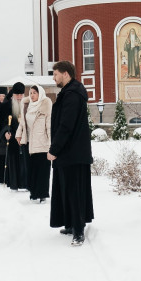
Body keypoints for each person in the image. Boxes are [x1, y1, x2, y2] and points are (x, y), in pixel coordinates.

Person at [48, 60, 94, 246]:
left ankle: (78, 230)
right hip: (70, 153)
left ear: (65, 74)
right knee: (66, 189)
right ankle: (71, 222)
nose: (54, 77)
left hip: (72, 153)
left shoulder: (72, 95)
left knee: (74, 191)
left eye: (56, 74)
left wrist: (54, 149)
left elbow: (66, 125)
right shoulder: (69, 92)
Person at [17, 83, 52, 203]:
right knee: (31, 169)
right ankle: (33, 193)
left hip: (42, 143)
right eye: (30, 93)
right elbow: (22, 122)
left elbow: (49, 125)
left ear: (40, 93)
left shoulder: (45, 105)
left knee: (42, 170)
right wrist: (18, 134)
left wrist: (51, 142)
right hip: (28, 142)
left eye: (34, 93)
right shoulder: (27, 106)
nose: (32, 95)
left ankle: (42, 194)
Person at [0, 82, 26, 191]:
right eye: (17, 95)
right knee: (13, 161)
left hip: (25, 138)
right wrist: (5, 132)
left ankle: (25, 184)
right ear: (13, 95)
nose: (19, 97)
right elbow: (1, 122)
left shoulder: (27, 104)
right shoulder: (6, 105)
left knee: (24, 162)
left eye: (21, 95)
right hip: (12, 137)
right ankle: (14, 184)